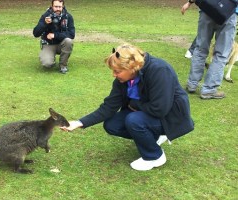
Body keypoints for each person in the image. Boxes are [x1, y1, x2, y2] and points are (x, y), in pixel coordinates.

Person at [61, 43, 194, 171]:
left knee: (133, 120)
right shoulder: (123, 80)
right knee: (112, 124)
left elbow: (160, 108)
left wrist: (135, 104)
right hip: (149, 113)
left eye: (117, 71)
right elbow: (109, 107)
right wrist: (79, 123)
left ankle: (155, 156)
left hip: (170, 118)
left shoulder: (160, 70)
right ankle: (153, 138)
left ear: (132, 67)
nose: (114, 74)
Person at [181, 1, 237, 99]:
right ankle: (209, 89)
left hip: (207, 8)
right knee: (221, 53)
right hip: (229, 13)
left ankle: (192, 84)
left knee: (200, 48)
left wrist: (189, 2)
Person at [33, 0, 75, 74]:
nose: (58, 9)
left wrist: (55, 35)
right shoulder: (46, 16)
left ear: (63, 7)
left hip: (62, 44)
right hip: (48, 44)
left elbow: (72, 34)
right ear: (52, 6)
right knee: (47, 64)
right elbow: (36, 33)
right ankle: (50, 58)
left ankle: (63, 65)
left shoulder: (68, 17)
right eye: (56, 6)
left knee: (68, 41)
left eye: (60, 7)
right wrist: (44, 24)